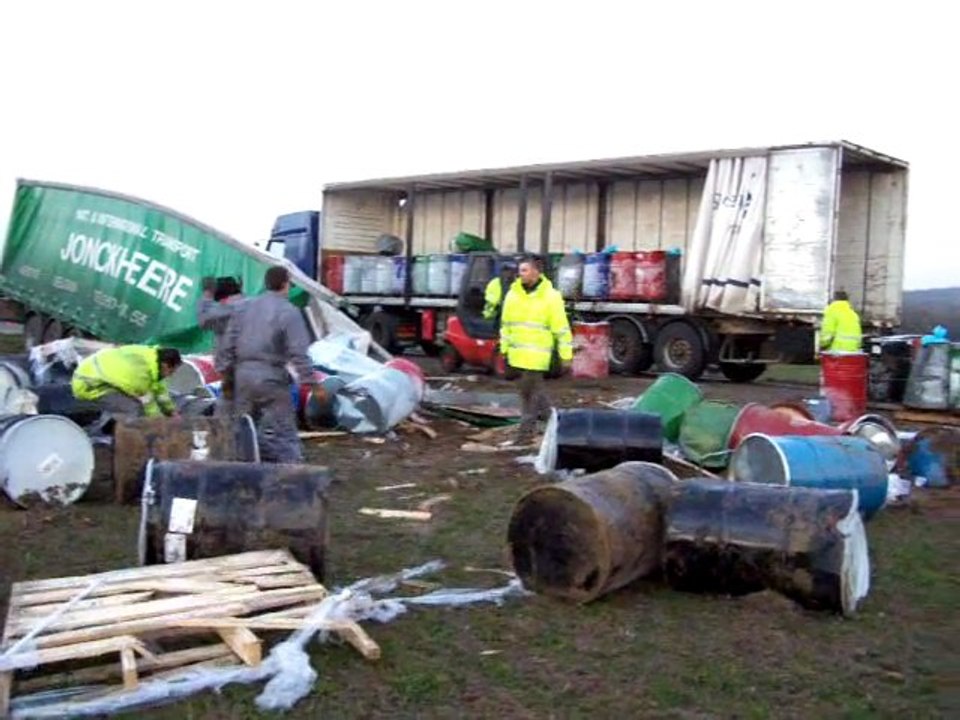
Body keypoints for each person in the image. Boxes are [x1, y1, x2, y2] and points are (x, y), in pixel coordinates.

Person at [217, 265, 321, 463]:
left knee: (242, 429)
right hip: (271, 377)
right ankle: (291, 472)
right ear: (285, 284)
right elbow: (298, 352)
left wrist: (226, 374)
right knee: (282, 431)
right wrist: (311, 382)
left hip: (242, 376)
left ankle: (241, 469)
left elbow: (227, 344)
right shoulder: (289, 312)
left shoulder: (243, 308)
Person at [500, 255, 573, 443]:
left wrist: (566, 356)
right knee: (536, 395)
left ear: (536, 272)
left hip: (536, 358)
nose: (520, 274)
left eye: (524, 270)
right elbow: (506, 325)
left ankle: (525, 435)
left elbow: (561, 329)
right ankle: (556, 426)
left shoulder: (551, 297)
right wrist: (504, 350)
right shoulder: (513, 295)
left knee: (529, 396)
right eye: (520, 270)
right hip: (516, 357)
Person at [71, 345, 182, 417]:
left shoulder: (152, 359)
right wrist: (160, 424)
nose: (171, 375)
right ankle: (121, 437)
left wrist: (172, 411)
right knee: (133, 408)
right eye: (171, 371)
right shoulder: (139, 374)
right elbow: (148, 405)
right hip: (89, 385)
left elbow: (159, 390)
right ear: (165, 365)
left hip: (101, 377)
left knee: (137, 405)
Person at [197, 275, 244, 411]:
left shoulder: (228, 308)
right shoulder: (251, 304)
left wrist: (207, 295)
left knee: (228, 405)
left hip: (233, 366)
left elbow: (203, 321)